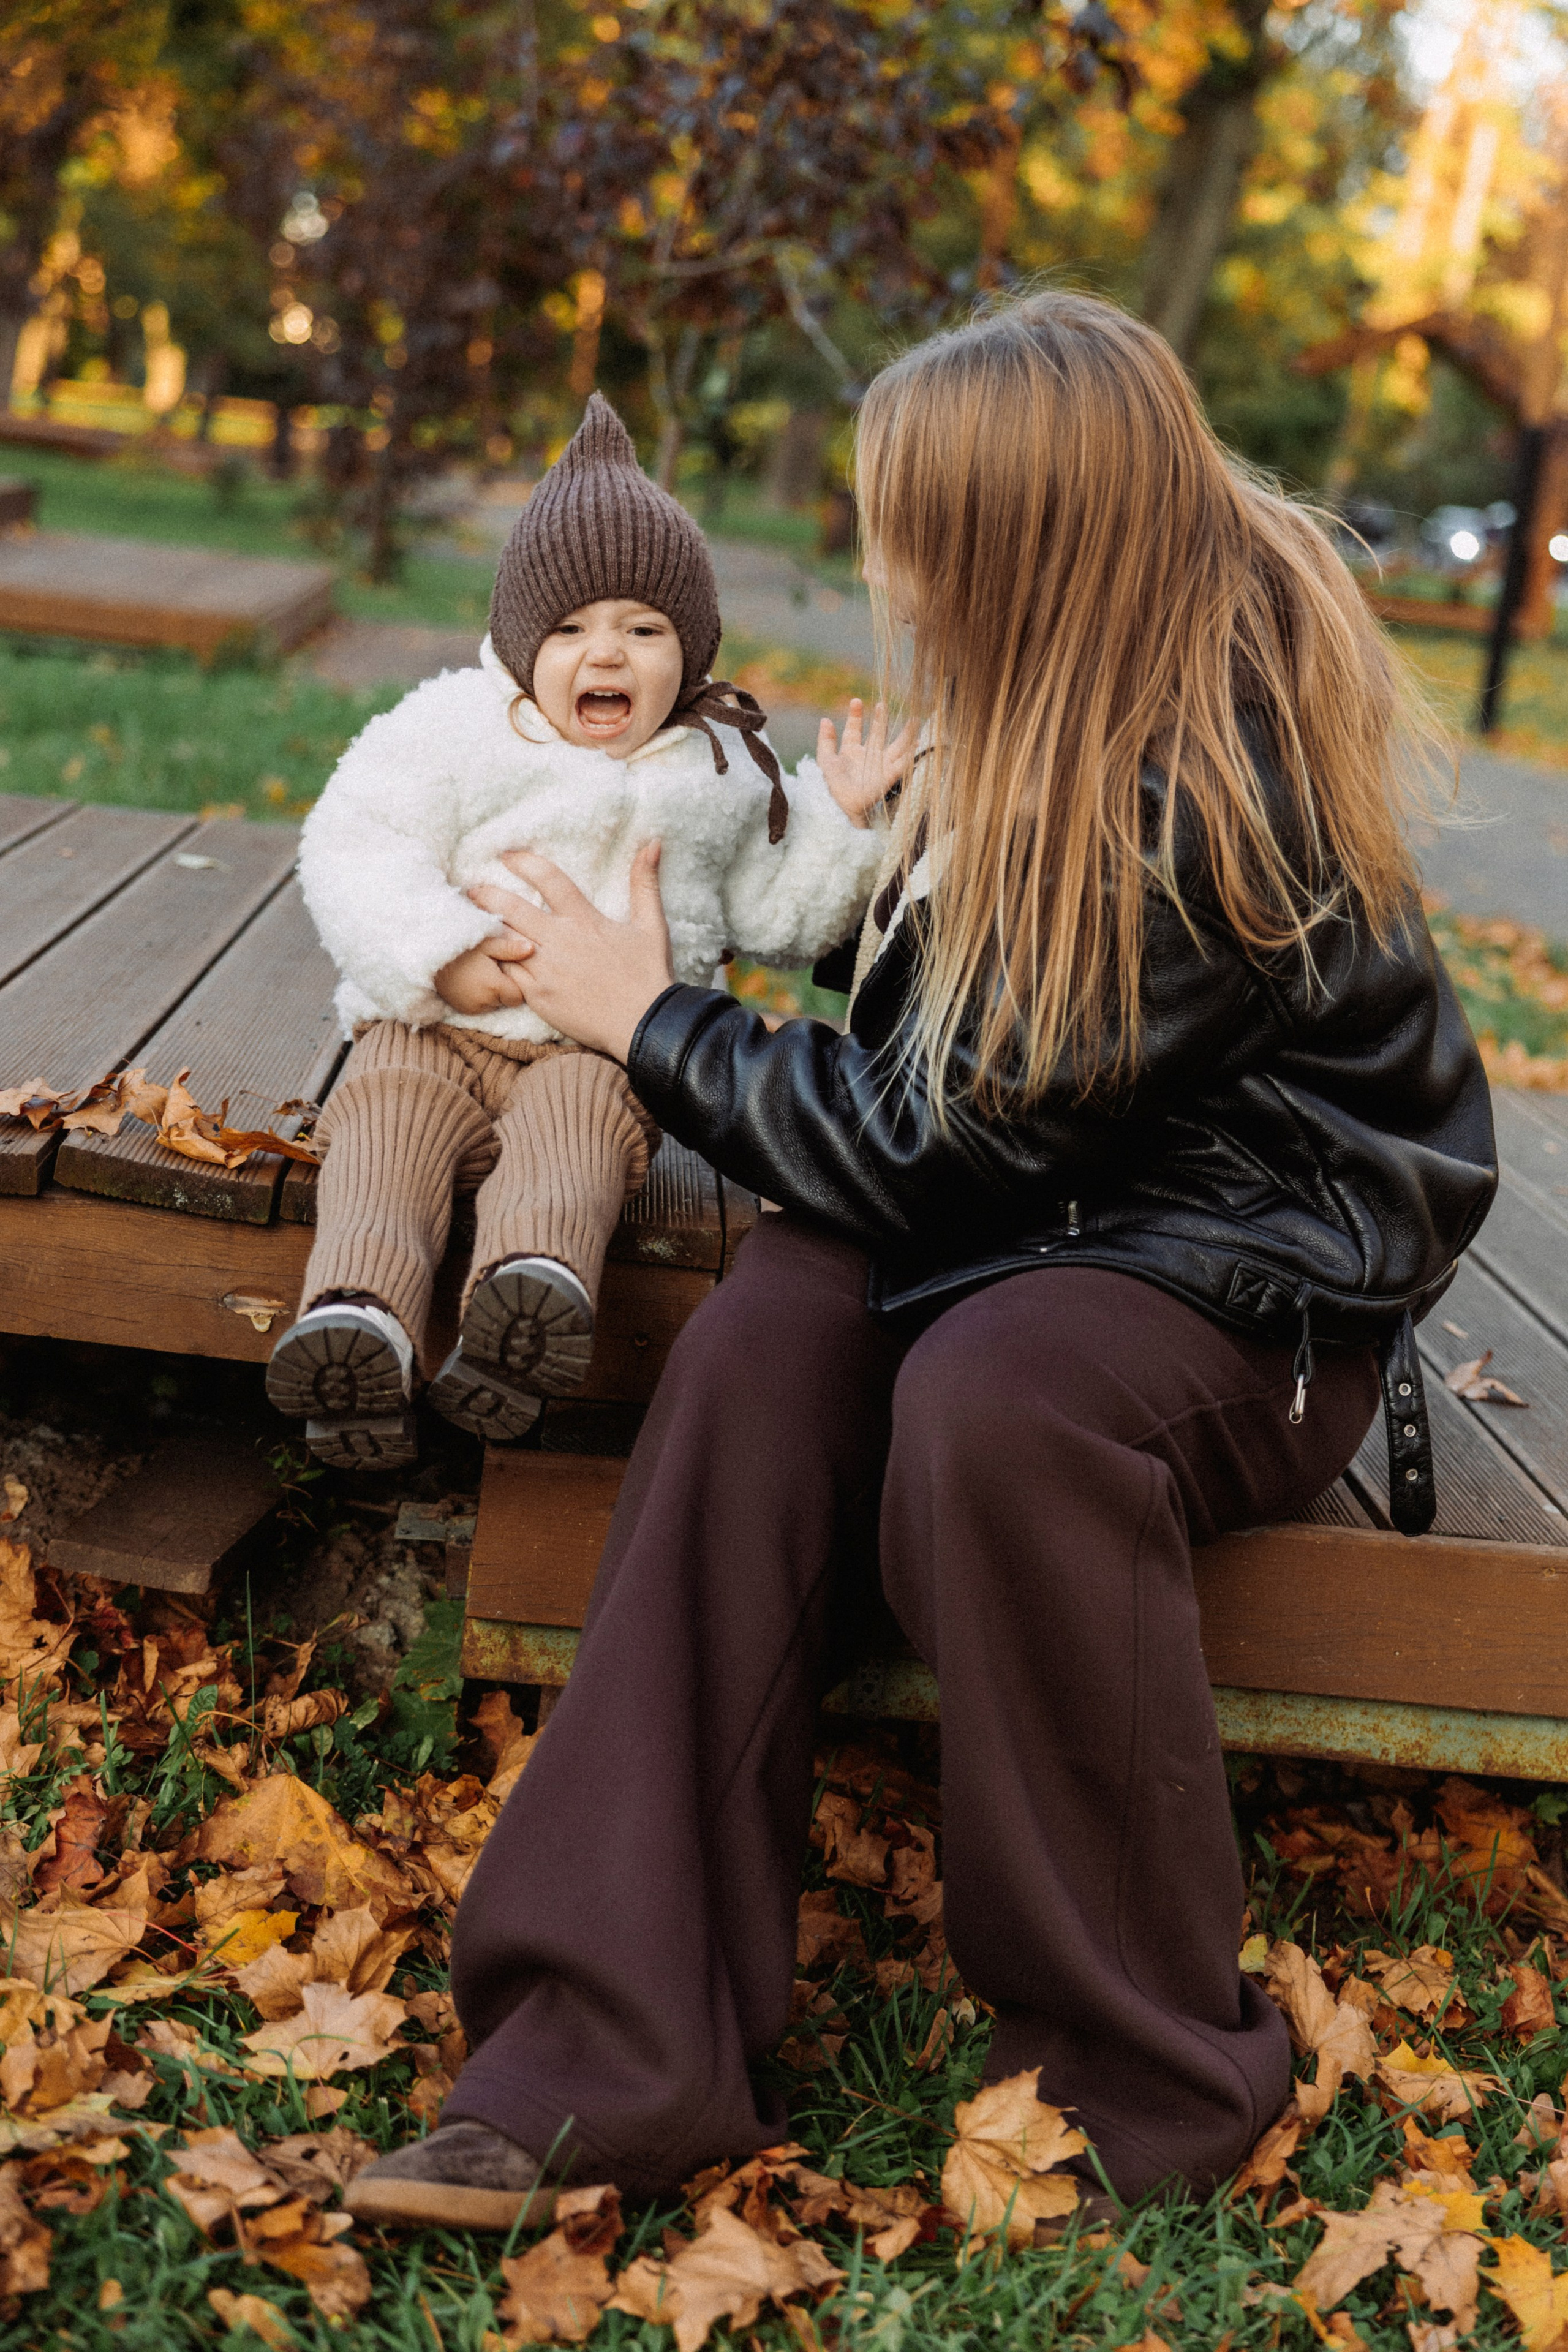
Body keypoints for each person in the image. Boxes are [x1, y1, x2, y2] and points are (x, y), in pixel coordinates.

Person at [345, 292, 1496, 2233]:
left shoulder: (1200, 782)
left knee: (998, 1401)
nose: (883, 567)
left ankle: (1140, 2067)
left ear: (1018, 544)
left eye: (909, 528)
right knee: (761, 1340)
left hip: (1254, 1283)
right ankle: (605, 2043)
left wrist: (647, 1019)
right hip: (1032, 1202)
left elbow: (920, 1136)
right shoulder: (1046, 701)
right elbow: (943, 1080)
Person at [267, 393, 893, 1468]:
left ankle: (530, 1302)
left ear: (689, 654)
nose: (606, 654)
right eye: (570, 629)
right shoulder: (456, 725)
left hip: (596, 1052)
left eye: (644, 631)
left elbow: (781, 914)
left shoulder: (714, 773)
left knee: (578, 1152)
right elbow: (354, 840)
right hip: (432, 1026)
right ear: (520, 644)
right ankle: (359, 1318)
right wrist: (440, 949)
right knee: (380, 1135)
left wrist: (840, 822)